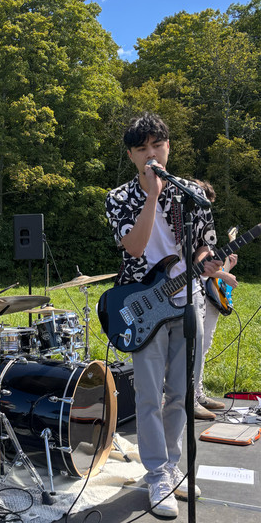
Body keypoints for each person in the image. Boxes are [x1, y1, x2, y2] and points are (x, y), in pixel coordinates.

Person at [105, 113, 223, 518]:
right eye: (142, 149)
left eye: (157, 145)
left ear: (169, 147)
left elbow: (204, 245)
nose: (151, 154)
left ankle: (171, 467)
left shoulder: (193, 194)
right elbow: (135, 248)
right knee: (148, 394)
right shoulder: (119, 198)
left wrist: (207, 261)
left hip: (188, 300)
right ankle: (156, 474)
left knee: (182, 393)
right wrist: (152, 197)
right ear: (131, 155)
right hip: (144, 306)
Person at [191, 181, 238, 420]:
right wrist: (224, 275)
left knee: (203, 346)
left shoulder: (205, 230)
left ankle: (198, 393)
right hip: (189, 293)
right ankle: (189, 397)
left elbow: (207, 266)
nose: (207, 210)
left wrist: (226, 266)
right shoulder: (185, 227)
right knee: (193, 348)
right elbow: (195, 267)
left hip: (204, 293)